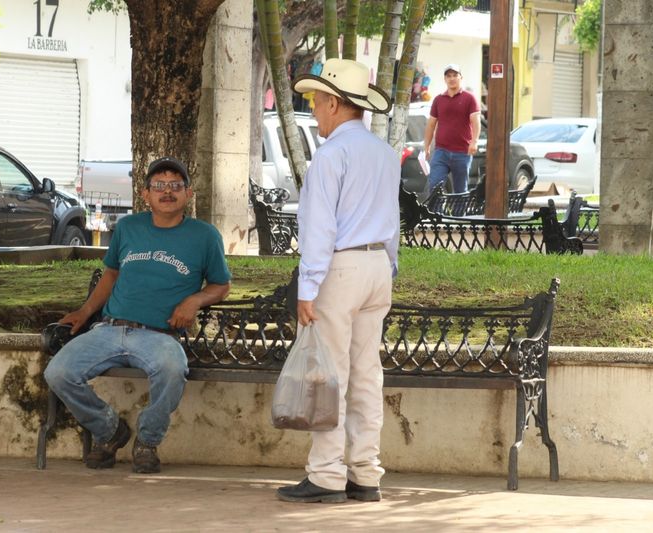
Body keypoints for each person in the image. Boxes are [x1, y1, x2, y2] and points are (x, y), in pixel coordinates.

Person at [44, 157, 231, 474]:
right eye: (159, 186)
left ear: (188, 194)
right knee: (58, 373)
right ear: (145, 194)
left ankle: (147, 441)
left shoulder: (204, 235)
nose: (167, 192)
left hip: (159, 335)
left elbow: (221, 286)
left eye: (175, 186)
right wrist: (85, 311)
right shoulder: (129, 227)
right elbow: (111, 276)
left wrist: (195, 300)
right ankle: (109, 430)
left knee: (172, 369)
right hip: (108, 329)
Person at [277, 58, 400, 504]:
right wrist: (388, 266)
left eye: (316, 102)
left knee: (331, 375)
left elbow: (319, 229)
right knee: (367, 373)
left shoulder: (331, 156)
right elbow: (393, 219)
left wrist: (307, 287)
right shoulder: (384, 153)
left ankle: (326, 474)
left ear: (333, 102)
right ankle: (366, 473)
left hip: (341, 267)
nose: (314, 111)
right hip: (375, 268)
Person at [423, 63, 481, 194]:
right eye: (448, 76)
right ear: (445, 79)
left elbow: (475, 121)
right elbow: (431, 124)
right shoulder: (438, 100)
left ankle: (458, 215)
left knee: (460, 191)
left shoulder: (469, 98)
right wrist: (426, 146)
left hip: (462, 152)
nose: (452, 78)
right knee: (434, 185)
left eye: (455, 75)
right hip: (441, 152)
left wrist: (474, 141)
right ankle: (437, 214)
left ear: (461, 77)